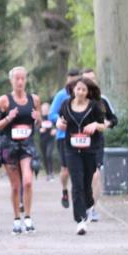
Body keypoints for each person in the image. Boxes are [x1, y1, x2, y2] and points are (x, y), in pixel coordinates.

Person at [56, 76, 111, 235]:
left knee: (87, 183)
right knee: (77, 184)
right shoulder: (66, 105)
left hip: (90, 150)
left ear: (88, 92)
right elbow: (60, 120)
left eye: (83, 90)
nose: (80, 92)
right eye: (78, 89)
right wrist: (59, 124)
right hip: (71, 149)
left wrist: (95, 125)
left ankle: (88, 204)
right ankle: (80, 220)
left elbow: (102, 126)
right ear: (73, 90)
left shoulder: (94, 106)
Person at [0, 66, 41, 234]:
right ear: (11, 81)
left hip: (27, 146)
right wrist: (9, 117)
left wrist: (37, 120)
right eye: (17, 79)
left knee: (27, 181)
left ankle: (28, 217)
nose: (20, 81)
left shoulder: (34, 99)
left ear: (26, 80)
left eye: (23, 78)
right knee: (15, 186)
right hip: (9, 147)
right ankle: (16, 220)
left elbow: (40, 124)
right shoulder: (4, 100)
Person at [81, 68, 118, 222]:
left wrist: (103, 124)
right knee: (83, 177)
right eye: (86, 80)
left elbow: (114, 119)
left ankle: (93, 208)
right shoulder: (74, 101)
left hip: (96, 143)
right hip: (79, 143)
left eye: (92, 79)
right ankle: (83, 204)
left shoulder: (102, 100)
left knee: (95, 175)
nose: (90, 82)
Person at [48, 69, 80, 209]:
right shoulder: (61, 95)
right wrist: (61, 120)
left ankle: (78, 193)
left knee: (79, 167)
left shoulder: (83, 94)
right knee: (66, 169)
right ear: (67, 80)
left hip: (79, 136)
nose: (73, 83)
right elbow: (51, 114)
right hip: (64, 137)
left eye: (75, 80)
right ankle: (65, 190)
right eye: (70, 80)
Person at [38, 101, 56, 181]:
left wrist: (55, 130)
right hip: (42, 140)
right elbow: (35, 127)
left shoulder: (51, 117)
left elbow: (58, 125)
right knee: (44, 156)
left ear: (49, 109)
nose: (45, 110)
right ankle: (48, 173)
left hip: (50, 139)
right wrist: (39, 130)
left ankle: (52, 172)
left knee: (49, 155)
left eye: (46, 109)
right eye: (43, 109)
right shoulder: (40, 118)